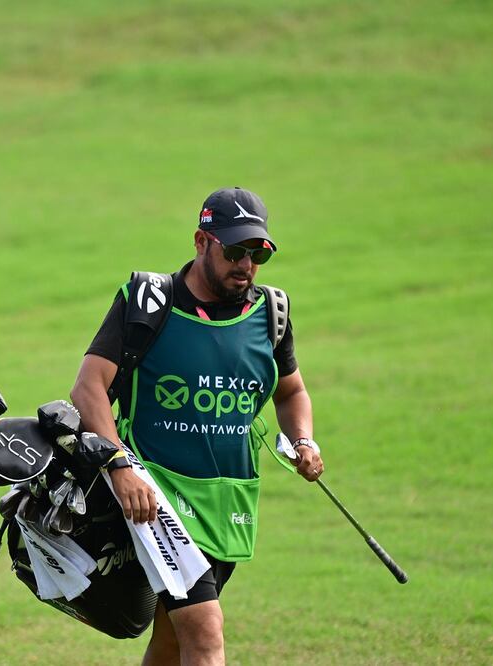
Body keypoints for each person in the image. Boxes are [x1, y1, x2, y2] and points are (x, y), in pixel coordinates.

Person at [70, 187, 325, 666]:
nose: (245, 265)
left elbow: (291, 392)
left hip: (228, 502)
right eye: (234, 251)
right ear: (201, 241)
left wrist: (304, 440)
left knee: (172, 643)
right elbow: (88, 389)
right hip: (157, 497)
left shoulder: (271, 314)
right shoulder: (148, 302)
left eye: (258, 254)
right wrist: (120, 465)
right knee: (205, 632)